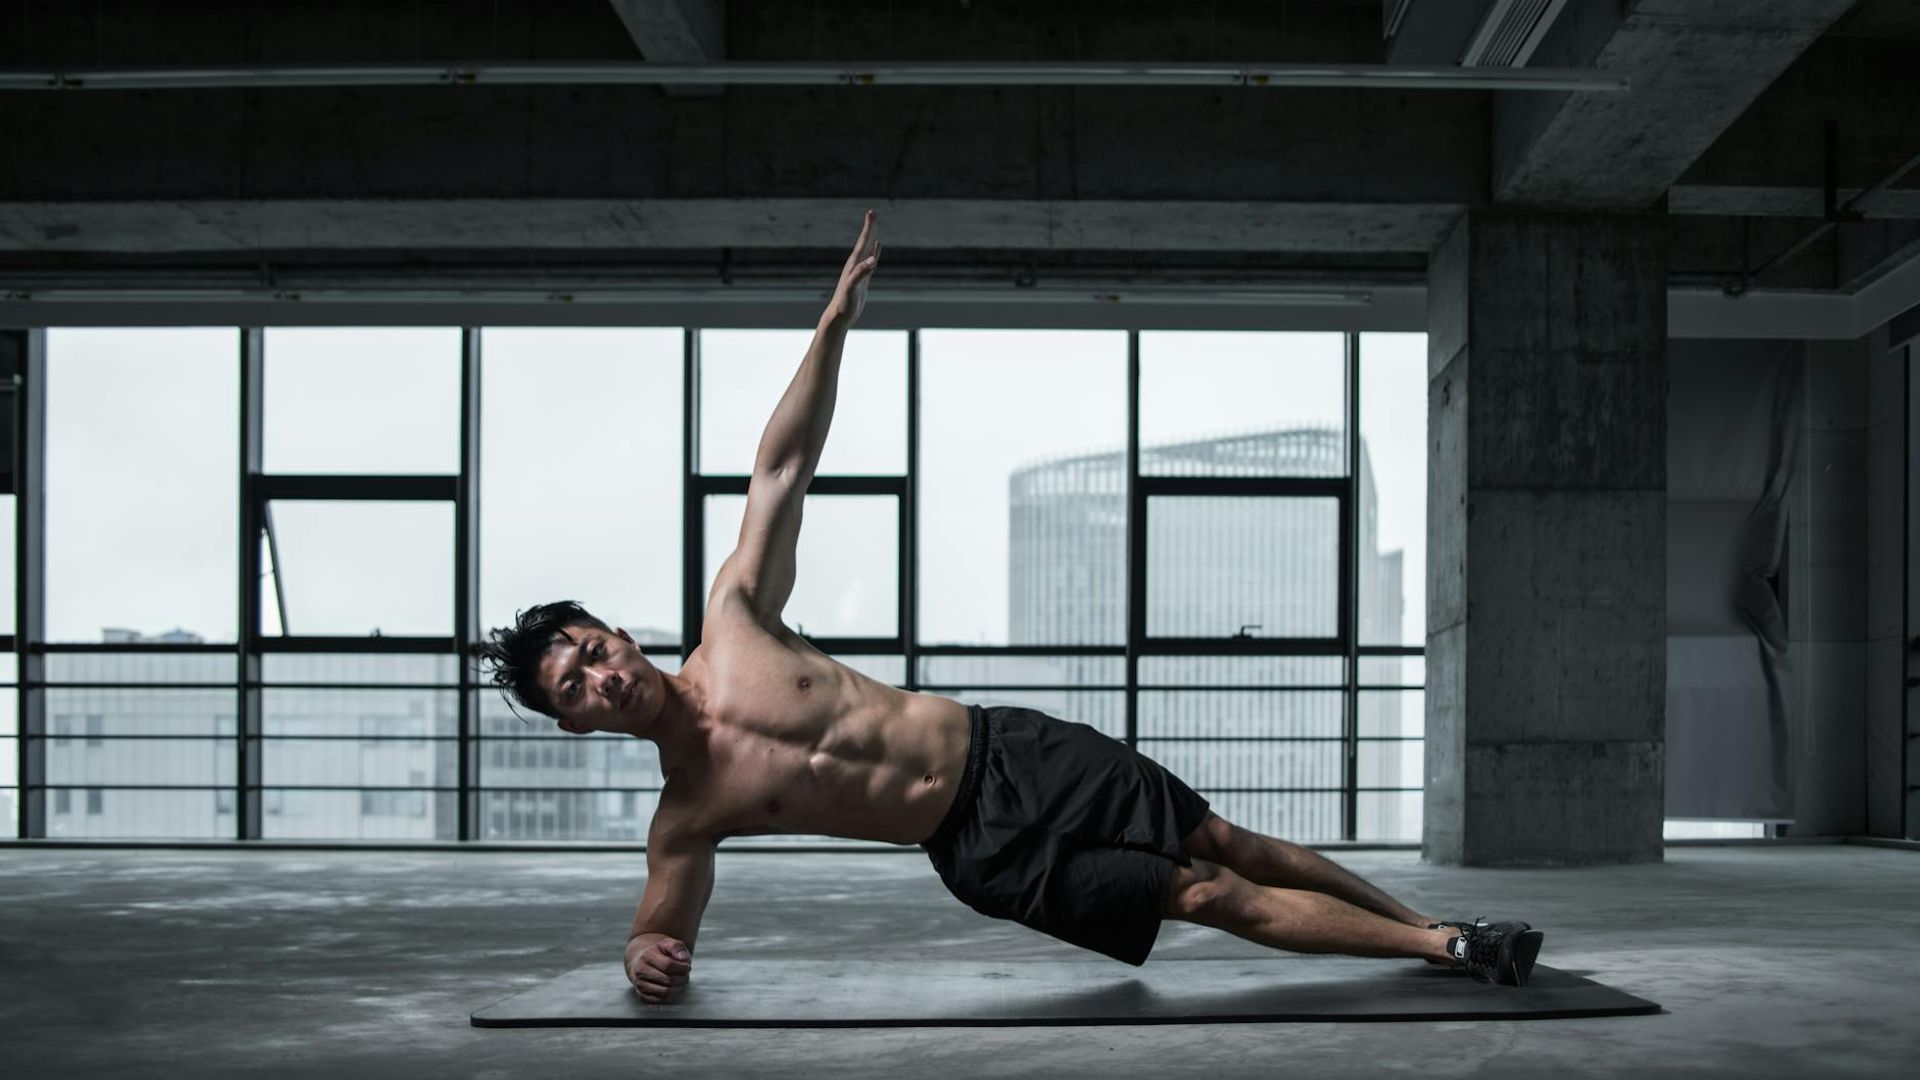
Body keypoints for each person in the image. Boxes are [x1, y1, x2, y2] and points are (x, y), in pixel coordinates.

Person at [478, 211, 1544, 1004]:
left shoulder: (739, 619)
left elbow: (781, 467)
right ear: (578, 724)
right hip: (980, 851)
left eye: (588, 649)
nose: (600, 675)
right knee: (1201, 893)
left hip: (1012, 751)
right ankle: (1443, 948)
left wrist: (836, 320)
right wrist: (639, 955)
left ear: (615, 631)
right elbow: (661, 925)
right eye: (576, 688)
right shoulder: (688, 813)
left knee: (1229, 840)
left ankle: (1445, 931)